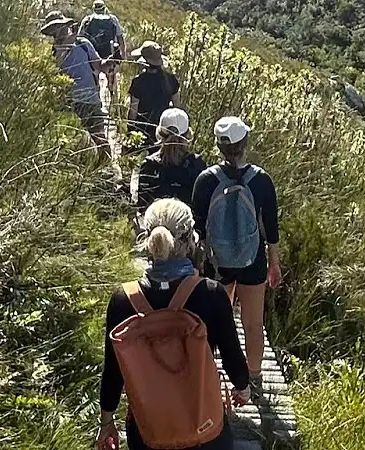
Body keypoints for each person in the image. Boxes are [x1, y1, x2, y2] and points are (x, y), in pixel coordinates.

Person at [96, 198, 251, 450]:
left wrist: (106, 422)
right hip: (204, 429)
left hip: (148, 431)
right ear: (191, 240)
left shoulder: (123, 300)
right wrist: (242, 387)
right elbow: (232, 356)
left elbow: (113, 372)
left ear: (148, 240)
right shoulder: (211, 293)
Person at [191, 116, 282, 395]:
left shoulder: (206, 180)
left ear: (219, 147)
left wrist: (197, 268)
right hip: (252, 261)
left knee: (216, 321)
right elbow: (271, 228)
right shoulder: (261, 180)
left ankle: (211, 377)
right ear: (245, 143)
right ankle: (253, 378)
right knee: (253, 324)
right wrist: (274, 264)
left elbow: (197, 229)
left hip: (216, 262)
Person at [41, 10, 110, 164]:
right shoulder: (54, 51)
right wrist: (66, 45)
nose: (58, 31)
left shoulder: (83, 44)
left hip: (91, 99)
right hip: (69, 103)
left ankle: (106, 168)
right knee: (72, 140)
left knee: (100, 138)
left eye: (60, 26)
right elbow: (56, 66)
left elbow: (98, 65)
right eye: (54, 28)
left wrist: (109, 62)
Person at [136, 108, 206, 246]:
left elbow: (142, 206)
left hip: (157, 240)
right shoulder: (197, 165)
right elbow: (202, 208)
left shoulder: (149, 165)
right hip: (187, 238)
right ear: (188, 135)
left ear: (159, 134)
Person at [127, 41, 183, 151]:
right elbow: (177, 107)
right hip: (164, 131)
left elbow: (133, 111)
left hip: (142, 131)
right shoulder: (170, 79)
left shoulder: (138, 81)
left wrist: (130, 130)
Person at [78, 0, 125, 97]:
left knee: (95, 79)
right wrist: (122, 54)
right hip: (110, 54)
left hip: (93, 55)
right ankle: (113, 99)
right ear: (104, 8)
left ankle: (97, 99)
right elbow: (120, 38)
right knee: (111, 79)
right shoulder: (112, 20)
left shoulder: (87, 20)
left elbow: (79, 38)